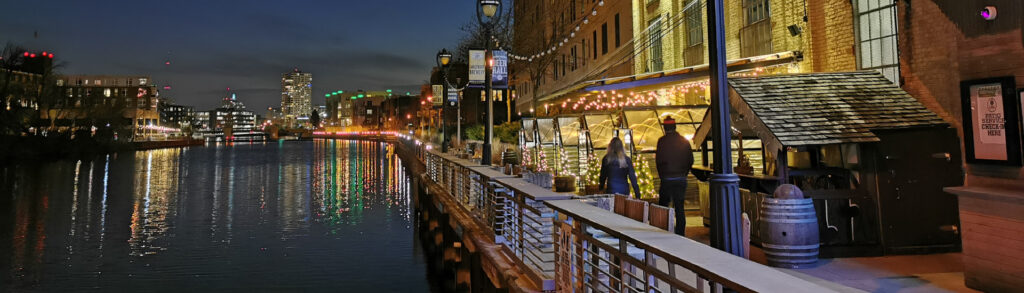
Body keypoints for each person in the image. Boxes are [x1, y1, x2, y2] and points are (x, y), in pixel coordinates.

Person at [655, 116, 694, 236]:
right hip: (681, 179)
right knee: (679, 207)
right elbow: (690, 160)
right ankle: (680, 233)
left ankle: (664, 230)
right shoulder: (684, 141)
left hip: (666, 179)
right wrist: (684, 173)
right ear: (675, 126)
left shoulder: (662, 141)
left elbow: (658, 161)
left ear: (665, 128)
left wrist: (663, 175)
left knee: (664, 206)